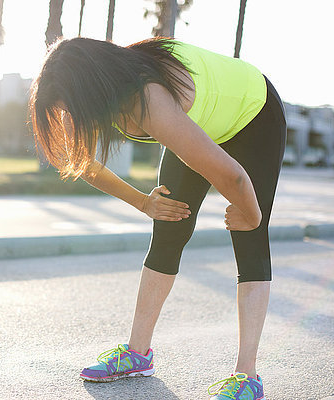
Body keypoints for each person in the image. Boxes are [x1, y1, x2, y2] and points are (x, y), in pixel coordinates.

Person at [29, 36, 286, 400]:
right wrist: (142, 202)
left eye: (71, 107)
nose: (69, 117)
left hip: (253, 114)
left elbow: (234, 177)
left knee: (249, 236)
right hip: (202, 125)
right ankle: (138, 353)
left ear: (93, 87)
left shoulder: (149, 100)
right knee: (168, 224)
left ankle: (248, 377)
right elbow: (78, 162)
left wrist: (251, 212)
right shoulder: (82, 98)